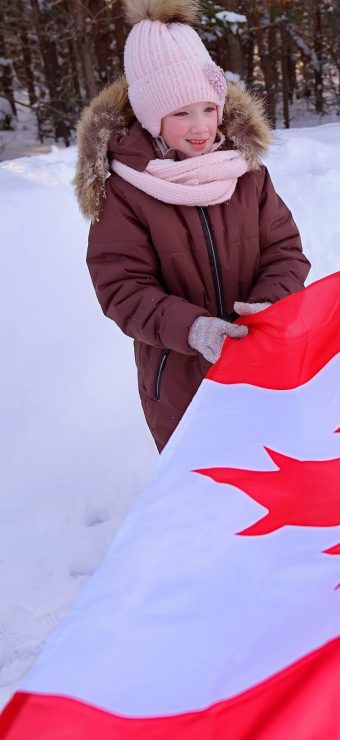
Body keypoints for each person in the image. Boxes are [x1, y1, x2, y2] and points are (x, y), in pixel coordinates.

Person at [73, 0, 310, 451]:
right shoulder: (126, 191)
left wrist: (269, 305)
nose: (200, 126)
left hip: (257, 358)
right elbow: (121, 286)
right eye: (181, 113)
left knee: (267, 465)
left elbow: (285, 250)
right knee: (202, 477)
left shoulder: (247, 174)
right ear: (151, 116)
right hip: (179, 376)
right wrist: (194, 329)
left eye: (208, 107)